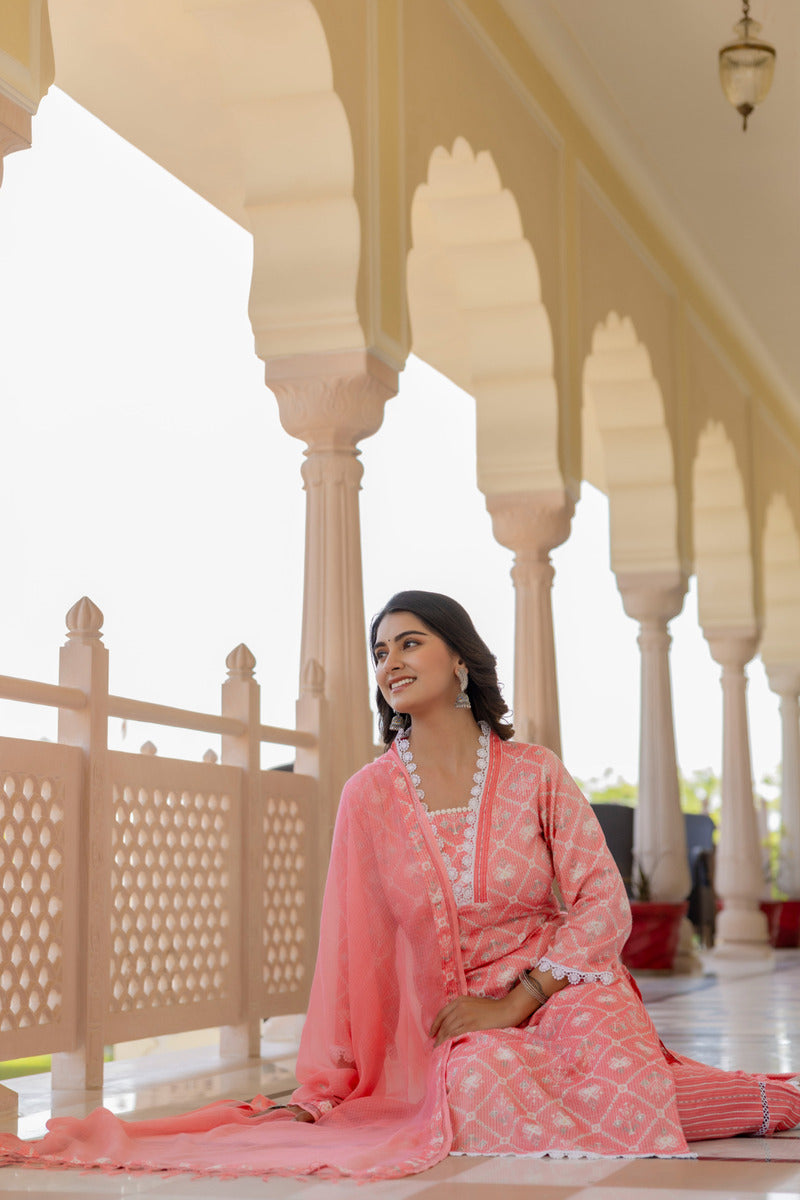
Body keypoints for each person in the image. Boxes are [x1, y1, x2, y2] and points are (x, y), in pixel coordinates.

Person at [2, 589, 799, 1180]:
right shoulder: (370, 796)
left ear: (459, 658)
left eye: (410, 644)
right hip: (455, 1017)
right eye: (381, 653)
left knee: (614, 1074)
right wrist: (327, 1084)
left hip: (563, 984)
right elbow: (354, 949)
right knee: (479, 1087)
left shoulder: (535, 774)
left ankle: (776, 1100)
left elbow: (601, 901)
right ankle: (738, 1095)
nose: (390, 663)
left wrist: (522, 996)